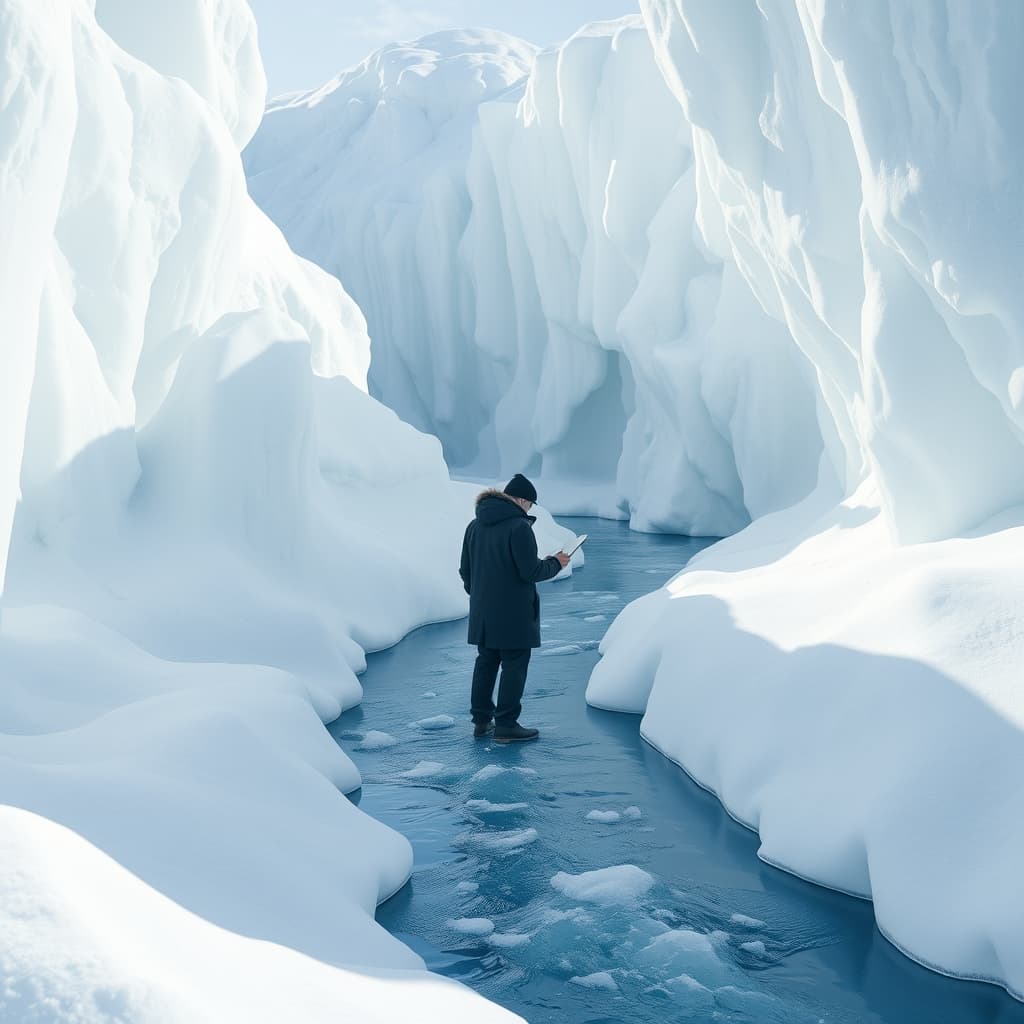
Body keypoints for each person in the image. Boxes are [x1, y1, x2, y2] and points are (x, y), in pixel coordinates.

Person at [459, 474, 571, 743]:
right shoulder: (518, 527)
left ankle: (481, 721)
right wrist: (556, 562)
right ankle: (506, 725)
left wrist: (481, 597)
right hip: (514, 614)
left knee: (486, 663)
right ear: (521, 500)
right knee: (514, 665)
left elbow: (466, 571)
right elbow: (530, 571)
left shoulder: (474, 525)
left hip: (484, 614)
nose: (529, 510)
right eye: (530, 505)